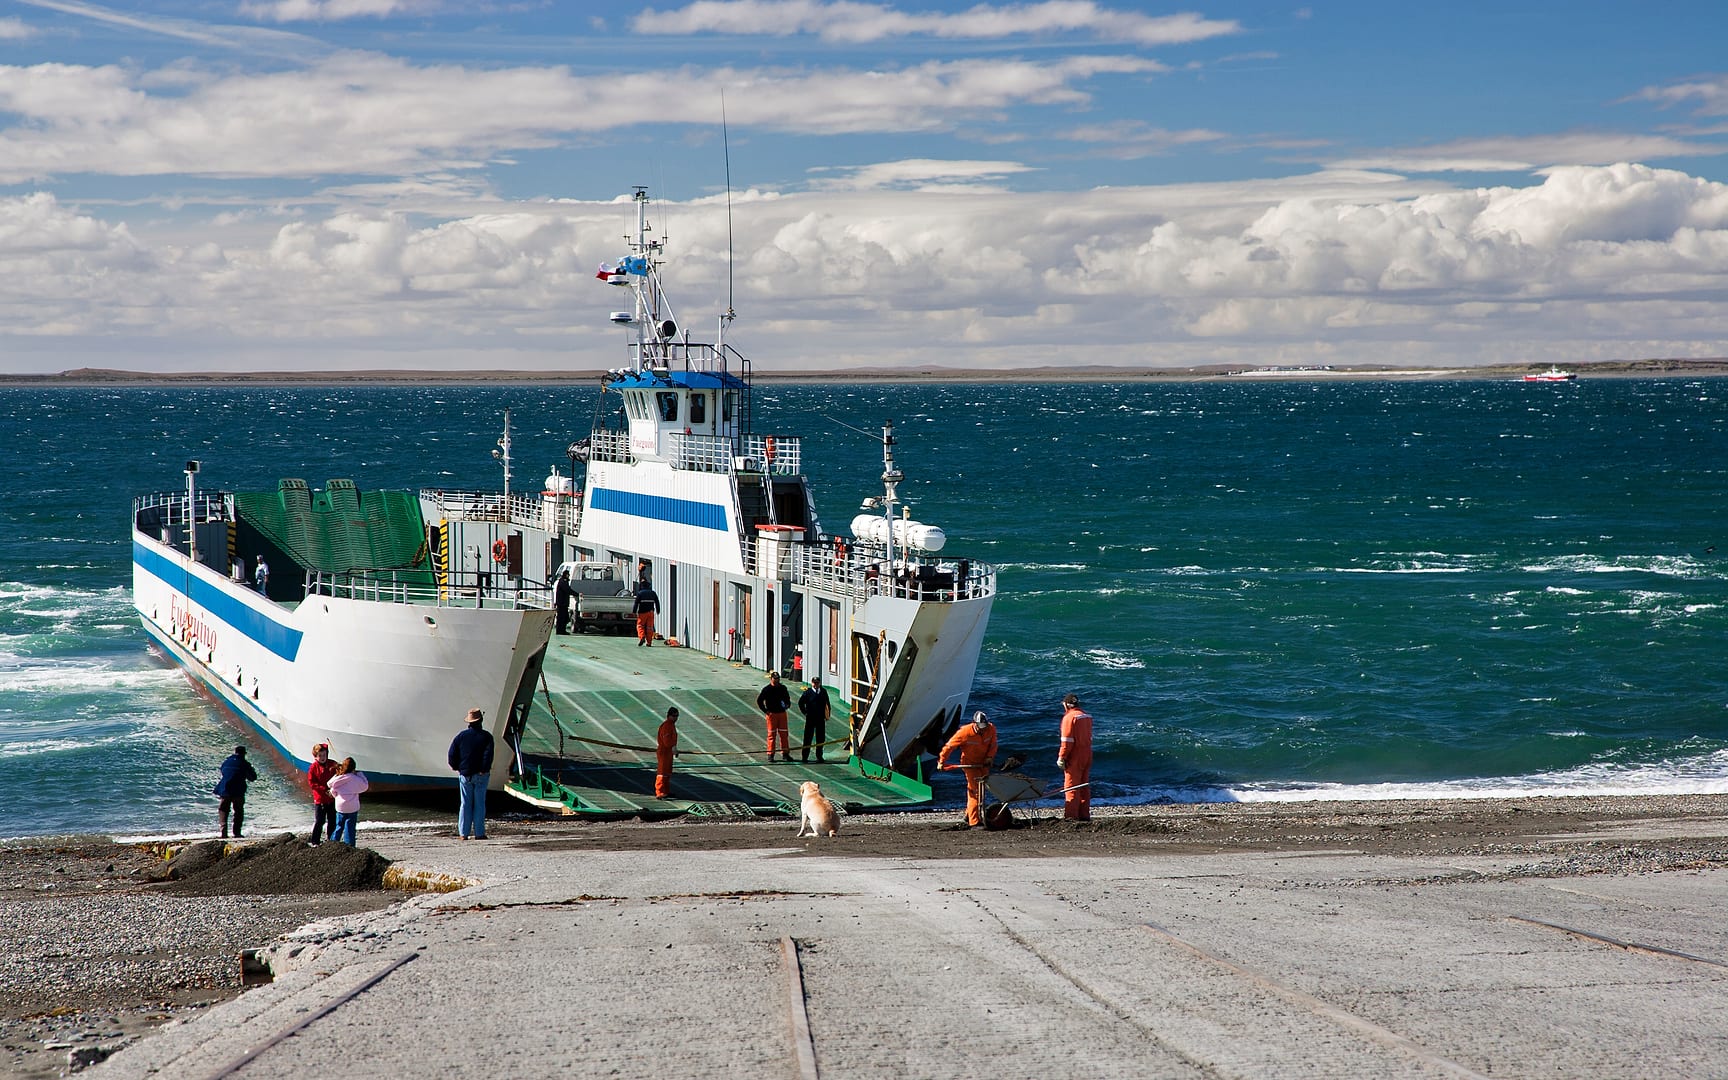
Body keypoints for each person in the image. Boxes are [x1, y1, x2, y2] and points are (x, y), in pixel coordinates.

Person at [938, 711, 997, 827]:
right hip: (969, 764)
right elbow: (949, 747)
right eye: (980, 727)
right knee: (975, 791)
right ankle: (974, 822)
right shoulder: (964, 732)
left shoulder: (990, 729)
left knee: (981, 791)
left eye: (984, 726)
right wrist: (941, 761)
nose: (982, 729)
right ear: (974, 724)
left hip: (983, 764)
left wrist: (990, 757)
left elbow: (993, 744)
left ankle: (968, 815)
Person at [448, 707, 494, 839]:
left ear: (469, 722)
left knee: (465, 803)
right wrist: (483, 769)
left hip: (465, 774)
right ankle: (479, 833)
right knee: (479, 803)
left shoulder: (460, 736)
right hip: (481, 774)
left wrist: (457, 767)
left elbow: (452, 754)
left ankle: (463, 833)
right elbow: (488, 755)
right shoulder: (487, 737)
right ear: (481, 720)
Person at [1057, 693, 1094, 822]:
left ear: (1066, 705)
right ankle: (1084, 815)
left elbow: (1067, 742)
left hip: (1075, 756)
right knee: (1084, 785)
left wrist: (1062, 757)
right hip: (1087, 753)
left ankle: (1071, 816)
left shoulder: (1069, 718)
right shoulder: (1086, 716)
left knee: (1071, 786)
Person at [214, 745, 257, 839]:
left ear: (235, 752)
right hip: (238, 790)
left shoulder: (227, 761)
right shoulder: (244, 763)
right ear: (244, 754)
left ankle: (223, 832)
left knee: (223, 810)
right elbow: (253, 778)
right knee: (238, 811)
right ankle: (236, 833)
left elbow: (223, 771)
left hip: (225, 790)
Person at [326, 757, 369, 847]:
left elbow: (330, 785)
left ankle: (333, 843)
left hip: (340, 806)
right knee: (350, 827)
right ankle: (349, 845)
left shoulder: (339, 778)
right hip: (352, 807)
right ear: (354, 768)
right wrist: (360, 774)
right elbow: (365, 786)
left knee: (339, 825)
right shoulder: (355, 778)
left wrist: (337, 775)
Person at [306, 742, 339, 845]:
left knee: (332, 820)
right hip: (320, 799)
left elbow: (339, 773)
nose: (322, 758)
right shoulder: (313, 767)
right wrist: (324, 789)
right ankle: (315, 841)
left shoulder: (332, 764)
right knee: (319, 821)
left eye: (324, 755)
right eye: (320, 756)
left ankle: (331, 839)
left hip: (331, 798)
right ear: (315, 756)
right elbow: (312, 783)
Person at [757, 670, 792, 762]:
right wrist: (766, 711)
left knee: (784, 734)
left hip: (782, 714)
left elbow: (787, 699)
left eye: (778, 679)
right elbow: (759, 701)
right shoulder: (767, 689)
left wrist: (787, 705)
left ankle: (785, 754)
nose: (776, 681)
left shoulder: (783, 688)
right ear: (771, 679)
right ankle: (770, 754)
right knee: (771, 735)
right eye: (775, 679)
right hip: (772, 715)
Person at [798, 677, 831, 763]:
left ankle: (819, 756)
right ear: (812, 683)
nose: (815, 685)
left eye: (817, 683)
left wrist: (827, 715)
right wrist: (805, 712)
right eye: (814, 683)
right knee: (807, 738)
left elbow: (827, 703)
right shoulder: (807, 693)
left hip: (820, 719)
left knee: (820, 738)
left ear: (819, 683)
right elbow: (800, 703)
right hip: (810, 719)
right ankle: (804, 757)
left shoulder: (823, 692)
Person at [655, 707, 679, 799]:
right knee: (662, 772)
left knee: (667, 772)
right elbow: (667, 741)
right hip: (664, 751)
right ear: (669, 716)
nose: (676, 718)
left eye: (677, 716)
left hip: (669, 752)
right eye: (674, 716)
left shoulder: (671, 725)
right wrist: (673, 747)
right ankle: (660, 792)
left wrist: (674, 748)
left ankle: (666, 791)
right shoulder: (666, 726)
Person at [633, 581, 660, 646]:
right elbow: (657, 602)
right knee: (649, 627)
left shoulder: (640, 593)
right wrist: (658, 610)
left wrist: (634, 611)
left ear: (642, 586)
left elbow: (636, 603)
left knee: (640, 626)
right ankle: (649, 642)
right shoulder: (653, 593)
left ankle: (642, 637)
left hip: (642, 612)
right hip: (651, 612)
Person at [553, 568, 572, 635]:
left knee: (564, 617)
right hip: (561, 604)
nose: (568, 576)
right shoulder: (562, 582)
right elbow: (568, 590)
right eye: (568, 575)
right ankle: (560, 631)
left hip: (563, 603)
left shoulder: (563, 581)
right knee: (561, 618)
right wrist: (577, 594)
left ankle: (562, 630)